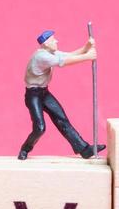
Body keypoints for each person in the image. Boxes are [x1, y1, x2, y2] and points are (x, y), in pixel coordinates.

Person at [18, 30, 103, 160]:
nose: (56, 41)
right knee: (40, 128)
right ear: (46, 43)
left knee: (62, 119)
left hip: (44, 93)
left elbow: (69, 55)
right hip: (33, 95)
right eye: (53, 40)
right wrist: (87, 57)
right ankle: (25, 148)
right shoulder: (41, 57)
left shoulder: (50, 52)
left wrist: (86, 47)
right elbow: (64, 62)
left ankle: (84, 149)